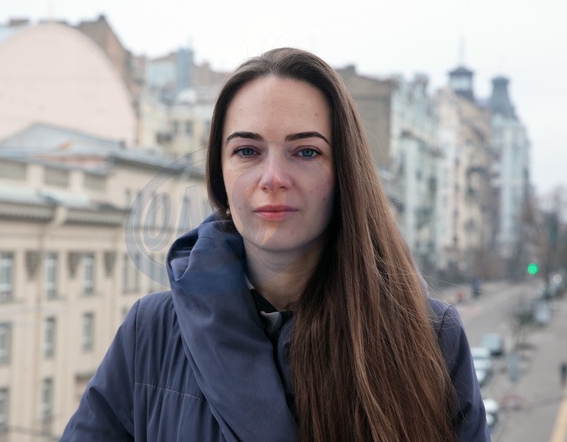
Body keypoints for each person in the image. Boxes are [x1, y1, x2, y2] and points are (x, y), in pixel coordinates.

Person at [60, 48, 489, 441]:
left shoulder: (429, 335)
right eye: (247, 151)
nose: (273, 179)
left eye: (306, 152)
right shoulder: (151, 333)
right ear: (219, 175)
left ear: (344, 172)